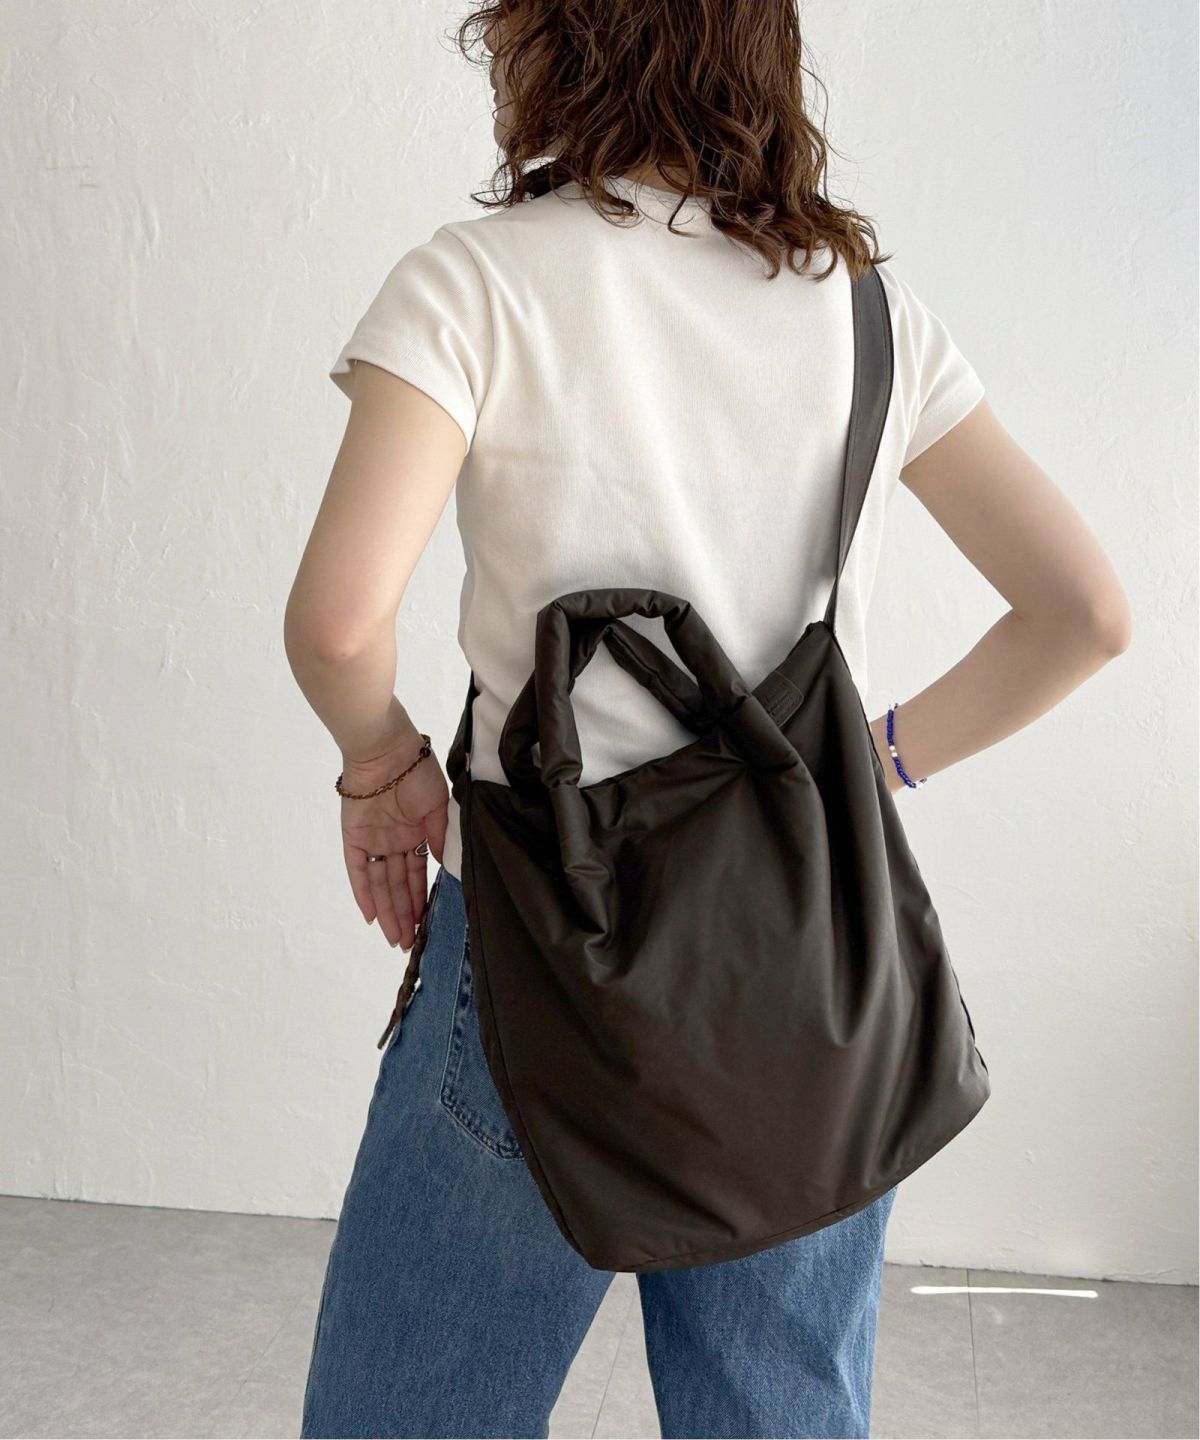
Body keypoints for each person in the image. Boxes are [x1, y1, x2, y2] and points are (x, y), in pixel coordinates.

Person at [283, 3, 1132, 1436]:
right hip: (802, 969)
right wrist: (874, 760)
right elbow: (1085, 613)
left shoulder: (474, 285)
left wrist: (381, 765)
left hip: (538, 958)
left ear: (556, 43)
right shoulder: (867, 315)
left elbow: (338, 624)